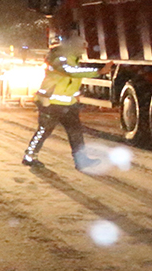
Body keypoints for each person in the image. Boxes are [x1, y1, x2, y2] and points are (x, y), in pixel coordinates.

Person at [22, 32, 112, 171]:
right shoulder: (58, 57)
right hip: (50, 103)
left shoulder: (73, 59)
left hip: (68, 104)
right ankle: (29, 156)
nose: (84, 50)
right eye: (82, 47)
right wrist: (98, 71)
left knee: (75, 132)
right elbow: (70, 72)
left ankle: (81, 161)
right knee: (44, 130)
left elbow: (71, 80)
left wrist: (76, 96)